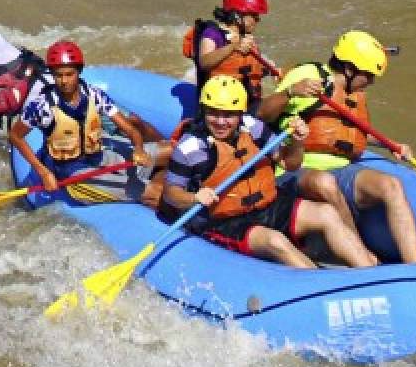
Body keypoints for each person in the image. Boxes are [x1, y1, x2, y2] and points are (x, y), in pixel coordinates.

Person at [158, 76, 376, 268]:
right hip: (224, 222)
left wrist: (297, 143)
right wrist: (195, 198)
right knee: (276, 241)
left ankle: (369, 272)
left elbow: (289, 163)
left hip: (267, 205)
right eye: (214, 113)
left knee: (327, 213)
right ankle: (319, 286)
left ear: (240, 113)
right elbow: (171, 193)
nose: (221, 121)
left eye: (229, 115)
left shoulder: (253, 127)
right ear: (204, 111)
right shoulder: (190, 148)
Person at [257, 30, 416, 264]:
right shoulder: (309, 75)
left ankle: (415, 266)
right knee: (324, 182)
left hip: (342, 168)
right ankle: (364, 259)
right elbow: (262, 113)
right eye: (368, 75)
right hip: (295, 166)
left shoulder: (354, 92)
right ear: (349, 69)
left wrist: (391, 145)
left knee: (391, 185)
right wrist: (290, 92)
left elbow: (347, 132)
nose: (371, 82)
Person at [7, 40, 166, 206]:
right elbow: (15, 136)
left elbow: (129, 129)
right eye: (58, 75)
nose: (64, 81)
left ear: (79, 71)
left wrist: (139, 149)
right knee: (156, 193)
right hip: (71, 173)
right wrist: (44, 172)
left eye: (69, 74)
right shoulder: (42, 106)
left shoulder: (94, 95)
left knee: (170, 151)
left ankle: (163, 178)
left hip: (98, 156)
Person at [182, 0, 273, 114]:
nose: (258, 20)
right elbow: (205, 62)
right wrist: (234, 47)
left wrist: (270, 71)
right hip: (219, 104)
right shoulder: (212, 34)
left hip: (243, 100)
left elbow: (250, 68)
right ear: (237, 16)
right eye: (254, 16)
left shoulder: (244, 37)